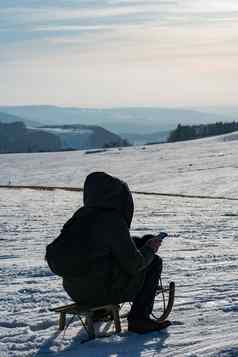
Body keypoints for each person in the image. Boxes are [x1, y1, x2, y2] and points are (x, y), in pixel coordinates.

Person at [50, 172, 170, 334]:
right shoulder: (112, 220)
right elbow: (134, 265)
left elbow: (98, 250)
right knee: (154, 262)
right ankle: (139, 319)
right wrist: (150, 249)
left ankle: (100, 312)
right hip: (101, 292)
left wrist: (138, 244)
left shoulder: (80, 216)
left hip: (75, 291)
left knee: (101, 266)